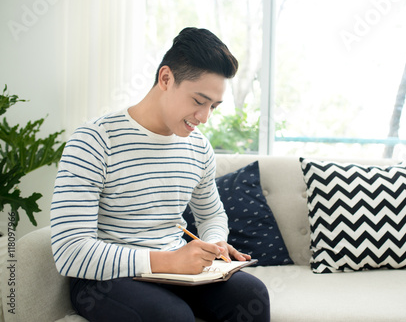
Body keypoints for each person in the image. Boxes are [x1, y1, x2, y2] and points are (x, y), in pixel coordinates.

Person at [50, 27, 270, 322]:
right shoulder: (94, 140)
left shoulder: (199, 148)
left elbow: (211, 215)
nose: (205, 117)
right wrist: (167, 261)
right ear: (166, 78)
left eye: (213, 107)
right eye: (198, 101)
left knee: (252, 294)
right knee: (170, 315)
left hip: (175, 271)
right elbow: (70, 252)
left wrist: (215, 243)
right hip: (105, 278)